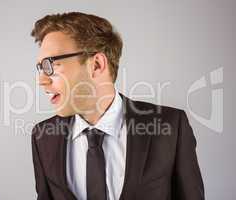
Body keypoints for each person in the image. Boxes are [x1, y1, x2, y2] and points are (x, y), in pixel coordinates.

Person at [30, 12, 204, 200]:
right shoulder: (43, 137)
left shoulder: (171, 127)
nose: (41, 80)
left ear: (96, 64)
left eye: (50, 65)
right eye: (40, 67)